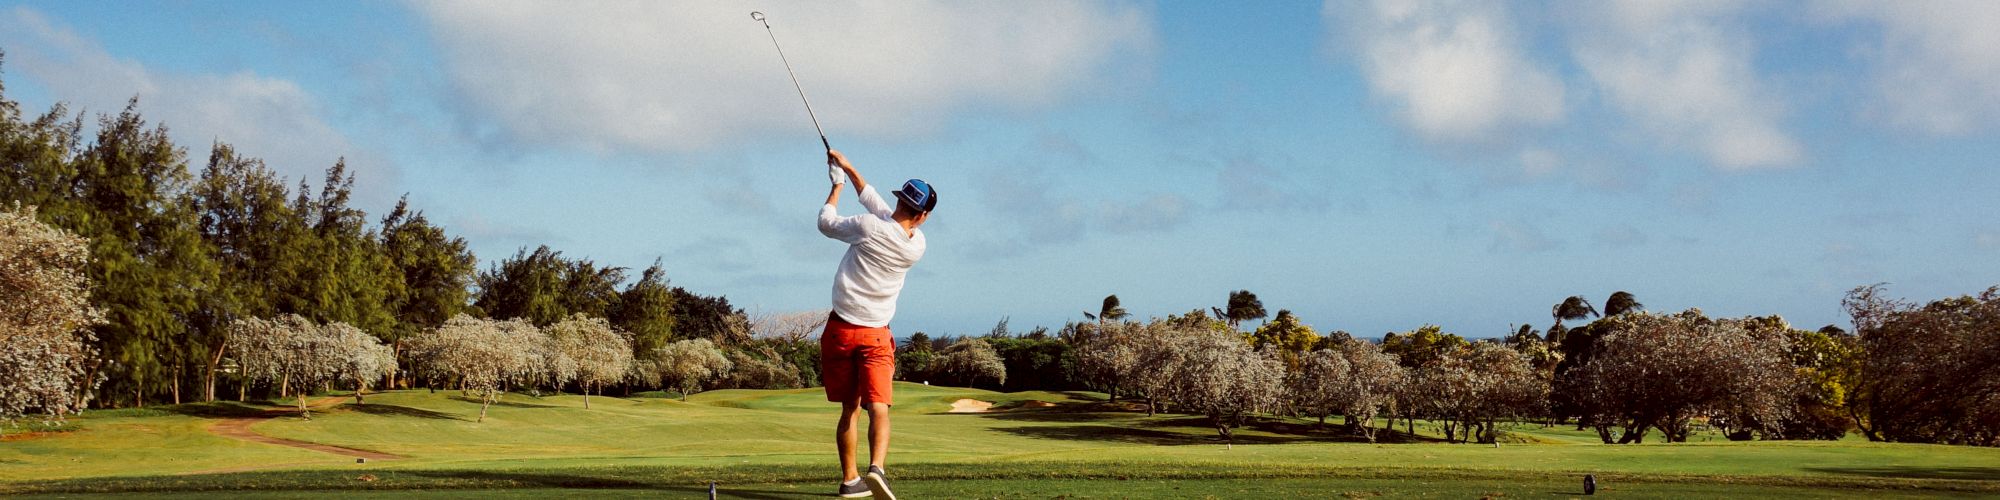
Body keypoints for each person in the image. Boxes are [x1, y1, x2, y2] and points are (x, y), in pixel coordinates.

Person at [816, 149, 935, 499]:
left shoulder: (868, 228)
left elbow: (826, 223)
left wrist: (837, 186)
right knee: (878, 405)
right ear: (923, 216)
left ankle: (849, 479)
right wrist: (849, 168)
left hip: (840, 330)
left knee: (849, 408)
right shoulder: (917, 245)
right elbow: (879, 208)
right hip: (876, 336)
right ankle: (876, 469)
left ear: (900, 199)